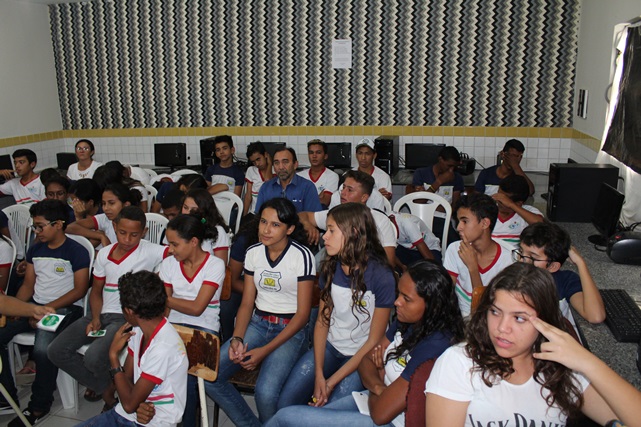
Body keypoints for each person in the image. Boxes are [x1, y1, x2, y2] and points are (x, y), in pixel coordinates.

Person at [425, 262, 639, 427]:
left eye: (519, 318)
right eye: (495, 312)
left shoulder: (561, 367)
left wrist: (588, 362)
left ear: (545, 321)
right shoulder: (459, 363)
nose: (502, 328)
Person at [267, 260, 465, 427]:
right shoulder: (409, 322)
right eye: (398, 295)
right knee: (300, 413)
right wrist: (379, 387)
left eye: (406, 298)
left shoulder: (435, 345)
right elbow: (367, 361)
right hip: (372, 398)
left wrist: (377, 377)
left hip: (394, 422)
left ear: (432, 305)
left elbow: (381, 415)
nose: (397, 303)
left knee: (284, 419)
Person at [205, 198, 315, 426]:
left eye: (275, 225)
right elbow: (246, 303)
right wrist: (237, 337)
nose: (266, 229)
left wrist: (263, 351)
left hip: (291, 329)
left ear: (290, 229)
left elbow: (303, 315)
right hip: (258, 323)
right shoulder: (254, 252)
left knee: (265, 393)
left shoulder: (302, 256)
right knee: (209, 375)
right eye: (263, 222)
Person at [48, 206, 169, 412]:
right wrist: (95, 317)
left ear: (144, 233)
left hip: (127, 318)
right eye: (122, 233)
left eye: (134, 235)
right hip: (100, 313)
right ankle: (107, 387)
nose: (128, 239)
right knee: (56, 350)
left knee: (94, 357)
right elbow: (95, 292)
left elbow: (179, 252)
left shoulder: (151, 251)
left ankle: (110, 391)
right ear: (114, 227)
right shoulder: (104, 254)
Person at [278, 203, 396, 409]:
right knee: (285, 402)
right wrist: (319, 375)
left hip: (362, 356)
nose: (324, 236)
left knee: (329, 412)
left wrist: (330, 382)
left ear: (354, 232)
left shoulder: (381, 275)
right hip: (331, 347)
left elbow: (373, 340)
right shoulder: (331, 267)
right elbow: (322, 323)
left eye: (331, 230)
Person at [0, 200, 90, 426]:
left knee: (42, 347)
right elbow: (28, 285)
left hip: (67, 308)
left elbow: (79, 289)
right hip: (35, 304)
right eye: (34, 226)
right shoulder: (36, 249)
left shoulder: (75, 250)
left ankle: (39, 405)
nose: (36, 231)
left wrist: (47, 308)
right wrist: (16, 308)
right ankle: (6, 396)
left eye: (40, 226)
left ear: (58, 224)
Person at [77, 271, 188, 427]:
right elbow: (128, 381)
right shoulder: (139, 330)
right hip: (131, 414)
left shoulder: (163, 347)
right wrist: (137, 402)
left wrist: (113, 356)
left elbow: (128, 404)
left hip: (154, 422)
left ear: (128, 311)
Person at [159, 214, 226, 427]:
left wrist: (166, 300)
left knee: (185, 374)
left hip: (204, 330)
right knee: (153, 360)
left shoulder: (214, 265)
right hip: (174, 327)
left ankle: (187, 422)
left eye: (175, 244)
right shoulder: (169, 264)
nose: (170, 249)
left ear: (194, 242)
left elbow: (198, 308)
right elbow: (165, 310)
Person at [299, 170, 397, 265]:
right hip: (336, 267)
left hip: (367, 269)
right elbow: (303, 215)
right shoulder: (334, 215)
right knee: (313, 262)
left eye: (350, 190)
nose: (343, 193)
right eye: (343, 187)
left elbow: (389, 261)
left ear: (364, 197)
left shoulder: (379, 221)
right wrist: (308, 225)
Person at [517, 222, 605, 327]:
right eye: (521, 252)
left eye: (533, 257)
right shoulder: (511, 277)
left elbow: (595, 316)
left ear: (553, 266)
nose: (523, 260)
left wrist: (580, 263)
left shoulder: (565, 281)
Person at [444, 193, 513, 317]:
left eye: (465, 221)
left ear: (485, 224)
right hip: (457, 316)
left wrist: (473, 268)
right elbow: (445, 292)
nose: (459, 227)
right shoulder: (454, 249)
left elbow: (485, 310)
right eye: (458, 221)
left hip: (487, 318)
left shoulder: (508, 260)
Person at [67, 182, 142, 248]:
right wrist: (100, 236)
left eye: (111, 203)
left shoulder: (136, 223)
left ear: (126, 205)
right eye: (103, 203)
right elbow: (70, 228)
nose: (105, 208)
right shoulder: (104, 218)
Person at [256, 147, 322, 213]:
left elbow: (313, 219)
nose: (281, 167)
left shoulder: (307, 187)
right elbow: (258, 217)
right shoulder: (266, 188)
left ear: (295, 165)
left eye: (285, 162)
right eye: (276, 163)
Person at [491, 174, 543, 248]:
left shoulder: (529, 211)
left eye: (503, 200)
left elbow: (540, 225)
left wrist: (511, 205)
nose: (498, 201)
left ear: (518, 203)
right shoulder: (488, 208)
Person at [181, 188, 231, 262]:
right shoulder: (175, 227)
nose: (188, 213)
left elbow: (221, 266)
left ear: (204, 211)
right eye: (185, 207)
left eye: (194, 210)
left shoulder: (218, 231)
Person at [297, 139, 339, 208]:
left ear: (325, 156)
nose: (314, 156)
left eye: (318, 152)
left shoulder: (332, 176)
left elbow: (325, 202)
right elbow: (295, 200)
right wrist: (318, 197)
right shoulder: (299, 176)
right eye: (311, 152)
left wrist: (304, 198)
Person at [243, 141, 274, 218]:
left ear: (266, 155)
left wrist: (270, 164)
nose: (257, 164)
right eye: (253, 162)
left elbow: (268, 181)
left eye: (258, 159)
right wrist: (244, 216)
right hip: (254, 213)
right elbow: (248, 196)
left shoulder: (275, 170)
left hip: (270, 214)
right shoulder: (251, 170)